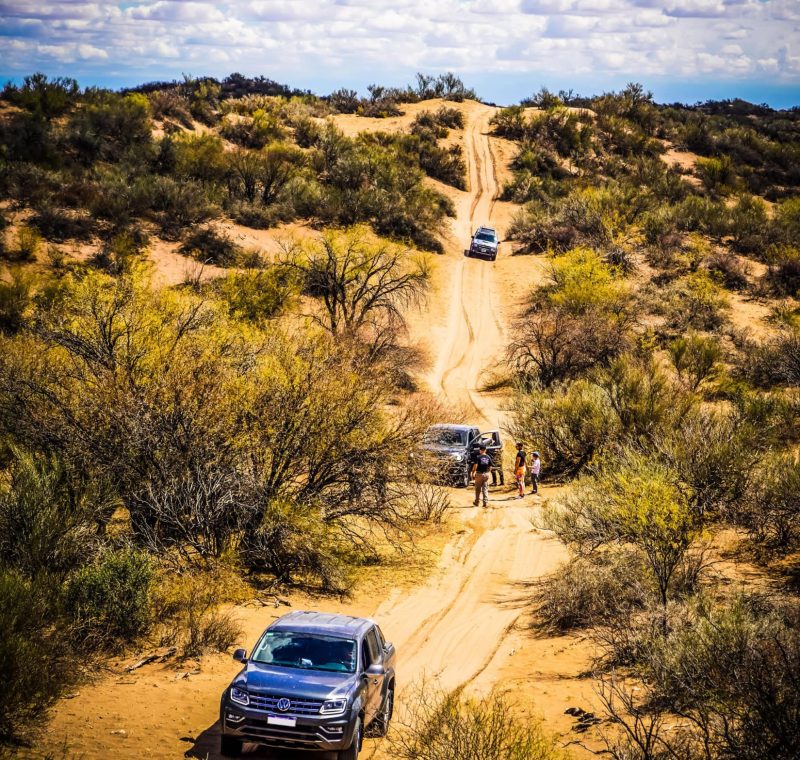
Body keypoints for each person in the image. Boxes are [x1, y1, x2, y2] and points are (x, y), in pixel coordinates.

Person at [471, 443, 492, 508]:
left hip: (479, 474)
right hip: (486, 474)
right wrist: (488, 472)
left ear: (480, 450)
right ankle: (485, 502)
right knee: (485, 488)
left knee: (478, 489)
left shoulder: (478, 457)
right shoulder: (488, 457)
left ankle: (477, 502)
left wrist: (473, 473)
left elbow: (475, 465)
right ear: (485, 450)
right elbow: (490, 466)